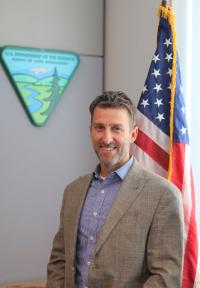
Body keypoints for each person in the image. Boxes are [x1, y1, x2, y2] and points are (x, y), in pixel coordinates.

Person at [46, 91, 184, 288]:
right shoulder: (73, 191)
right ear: (90, 131)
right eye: (99, 127)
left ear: (133, 134)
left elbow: (166, 277)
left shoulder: (163, 195)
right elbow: (60, 260)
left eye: (117, 128)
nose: (106, 137)